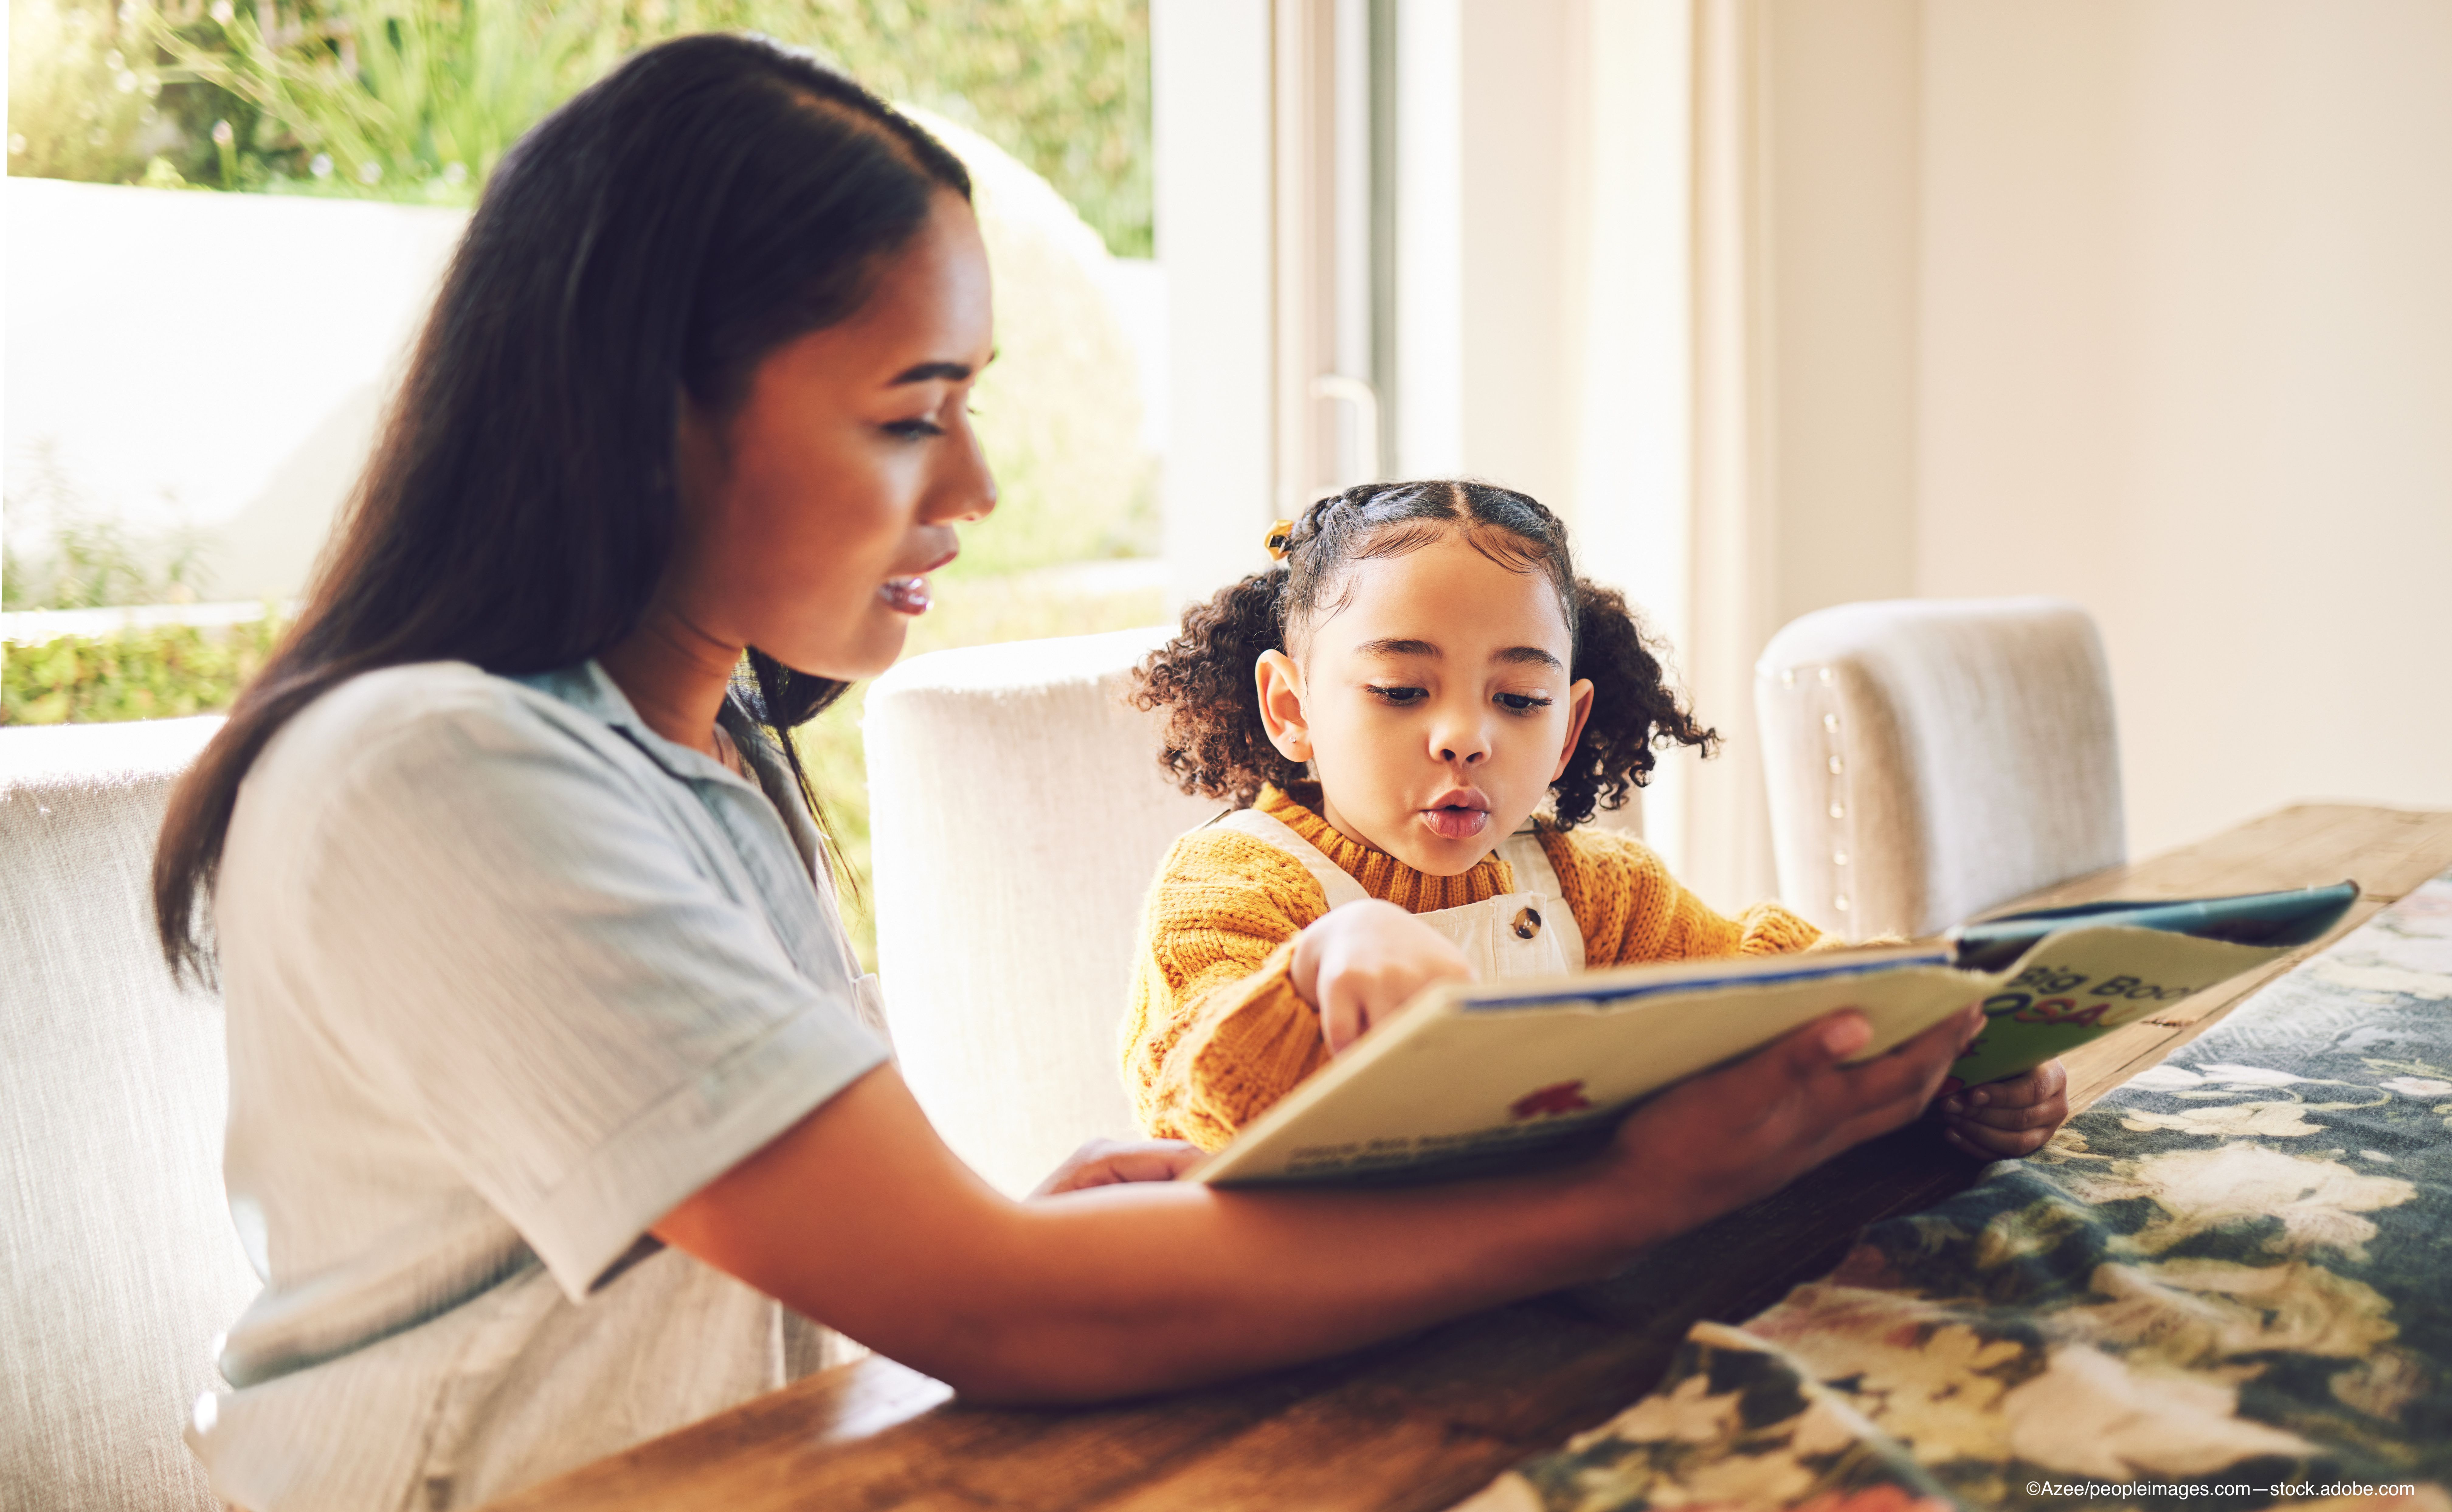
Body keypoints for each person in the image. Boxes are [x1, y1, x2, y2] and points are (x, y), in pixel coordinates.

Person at [154, 36, 1987, 1512]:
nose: (973, 492)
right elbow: (983, 1315)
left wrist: (995, 1236)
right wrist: (1630, 1192)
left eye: (968, 406)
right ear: (647, 411)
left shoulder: (702, 758)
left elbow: (774, 1269)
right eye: (907, 414)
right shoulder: (445, 774)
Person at [1122, 479, 2069, 1155]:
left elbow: (1767, 987)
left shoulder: (1590, 888)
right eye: (1403, 691)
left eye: (1519, 701)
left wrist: (1954, 1044)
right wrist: (1320, 964)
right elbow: (1200, 1101)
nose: (1464, 737)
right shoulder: (1234, 885)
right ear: (1291, 709)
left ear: (1569, 726)